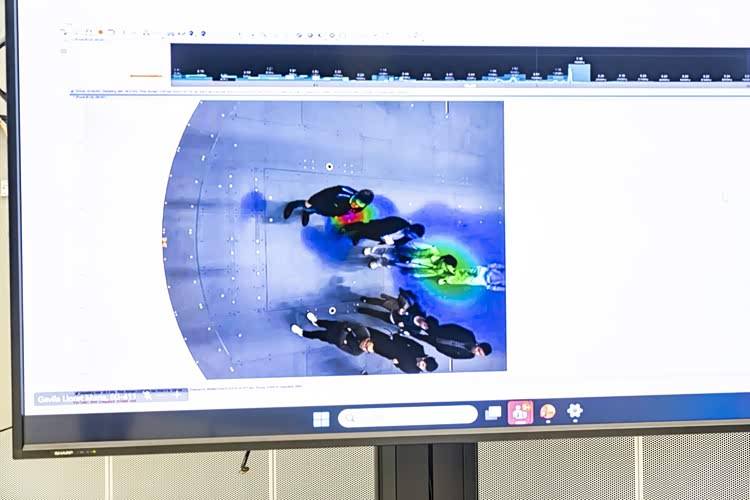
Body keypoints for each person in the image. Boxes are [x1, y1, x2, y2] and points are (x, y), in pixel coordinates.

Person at [283, 185, 374, 227]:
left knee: (314, 211)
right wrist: (311, 201)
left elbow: (351, 211)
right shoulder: (341, 191)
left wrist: (338, 215)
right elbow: (323, 194)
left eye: (361, 204)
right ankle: (292, 205)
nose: (356, 205)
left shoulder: (360, 207)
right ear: (356, 196)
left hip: (330, 210)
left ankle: (306, 213)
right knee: (309, 206)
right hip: (322, 202)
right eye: (357, 201)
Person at [291, 312, 374, 356]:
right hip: (338, 327)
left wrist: (346, 331)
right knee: (325, 323)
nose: (364, 347)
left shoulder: (356, 352)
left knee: (316, 334)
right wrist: (344, 336)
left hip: (333, 338)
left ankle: (302, 333)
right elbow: (348, 324)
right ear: (367, 339)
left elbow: (340, 345)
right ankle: (316, 322)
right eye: (366, 344)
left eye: (366, 349)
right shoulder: (364, 331)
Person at [368, 241, 458, 281]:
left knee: (394, 263)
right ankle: (374, 250)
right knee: (391, 251)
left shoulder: (437, 270)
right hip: (407, 252)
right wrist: (407, 251)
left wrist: (413, 273)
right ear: (443, 260)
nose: (444, 269)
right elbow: (414, 245)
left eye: (446, 269)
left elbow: (423, 273)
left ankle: (379, 263)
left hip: (409, 264)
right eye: (445, 267)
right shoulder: (432, 249)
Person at [369, 328, 439, 374]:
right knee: (370, 333)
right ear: (425, 358)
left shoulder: (413, 371)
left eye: (423, 368)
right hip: (391, 342)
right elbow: (408, 341)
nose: (421, 366)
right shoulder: (420, 348)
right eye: (423, 364)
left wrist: (396, 364)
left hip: (388, 353)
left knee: (370, 346)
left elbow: (401, 367)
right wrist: (396, 336)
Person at [410, 323, 492, 359]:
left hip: (439, 345)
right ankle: (407, 323)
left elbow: (454, 356)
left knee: (420, 337)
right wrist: (440, 328)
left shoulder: (469, 356)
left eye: (480, 354)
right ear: (479, 345)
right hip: (439, 332)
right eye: (479, 350)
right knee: (422, 326)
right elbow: (454, 327)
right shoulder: (470, 335)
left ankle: (406, 332)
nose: (477, 353)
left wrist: (440, 350)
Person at [344, 216, 425, 246]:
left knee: (366, 235)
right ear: (409, 228)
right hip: (377, 227)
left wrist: (389, 243)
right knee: (362, 227)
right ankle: (346, 228)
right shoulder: (398, 222)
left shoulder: (407, 238)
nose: (411, 237)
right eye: (412, 235)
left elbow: (398, 243)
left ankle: (359, 235)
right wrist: (385, 237)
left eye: (414, 237)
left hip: (381, 238)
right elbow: (383, 224)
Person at [437, 263, 505, 292]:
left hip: (483, 280)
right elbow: (498, 266)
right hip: (484, 271)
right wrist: (488, 266)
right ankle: (446, 272)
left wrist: (490, 287)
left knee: (464, 280)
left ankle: (445, 280)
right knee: (463, 271)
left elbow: (500, 288)